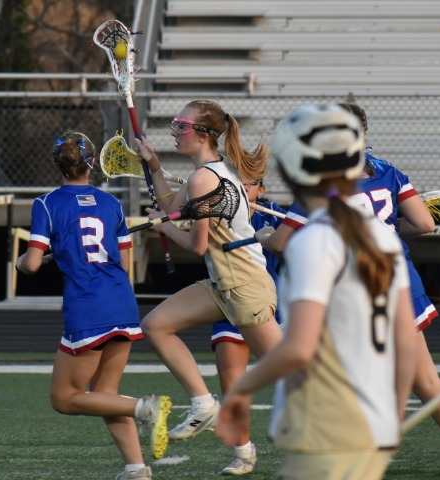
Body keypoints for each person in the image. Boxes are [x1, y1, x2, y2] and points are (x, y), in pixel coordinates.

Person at [259, 103, 440, 480]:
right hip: (402, 283)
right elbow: (424, 224)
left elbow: (281, 243)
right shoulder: (387, 170)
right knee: (424, 381)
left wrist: (261, 234)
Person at [216, 103, 419, 480]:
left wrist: (240, 390)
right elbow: (405, 340)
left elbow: (299, 347)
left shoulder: (315, 240)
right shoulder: (382, 236)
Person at [133, 99, 283, 474]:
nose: (175, 132)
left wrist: (163, 225)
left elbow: (196, 245)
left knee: (291, 373)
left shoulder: (204, 178)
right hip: (222, 285)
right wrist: (155, 167)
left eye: (182, 126)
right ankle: (203, 404)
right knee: (155, 324)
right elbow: (170, 203)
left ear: (203, 135)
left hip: (244, 286)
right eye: (175, 124)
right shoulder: (210, 171)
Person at [16, 131, 171, 480]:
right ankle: (136, 468)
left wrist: (21, 261)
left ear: (57, 164)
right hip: (122, 302)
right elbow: (124, 264)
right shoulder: (111, 203)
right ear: (91, 164)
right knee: (105, 394)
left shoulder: (47, 204)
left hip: (87, 307)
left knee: (64, 398)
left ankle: (144, 408)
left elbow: (32, 264)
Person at [210, 176, 287, 475]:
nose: (242, 189)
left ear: (261, 189)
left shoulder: (273, 213)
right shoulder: (218, 211)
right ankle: (243, 452)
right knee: (232, 382)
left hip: (263, 303)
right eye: (236, 182)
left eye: (249, 184)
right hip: (229, 298)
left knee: (291, 378)